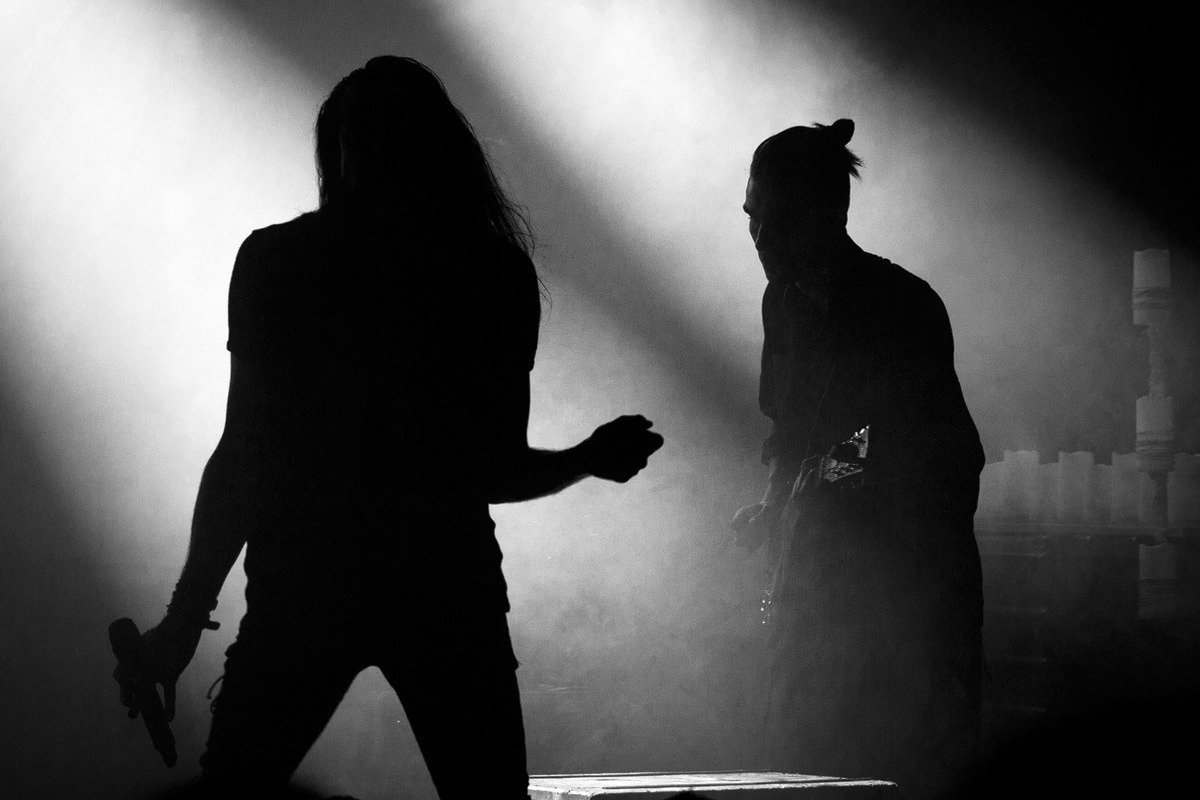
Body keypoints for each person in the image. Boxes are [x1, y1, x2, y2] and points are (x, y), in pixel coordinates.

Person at [114, 56, 663, 799]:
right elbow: (493, 469)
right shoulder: (490, 273)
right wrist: (585, 458)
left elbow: (245, 453)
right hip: (438, 583)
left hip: (307, 582)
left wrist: (185, 621)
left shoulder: (280, 262)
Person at [731, 119, 984, 799]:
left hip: (909, 596)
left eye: (775, 218)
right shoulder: (782, 302)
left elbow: (902, 442)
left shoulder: (901, 306)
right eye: (751, 216)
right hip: (822, 586)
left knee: (897, 768)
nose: (758, 236)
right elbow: (790, 432)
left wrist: (816, 484)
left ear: (825, 213)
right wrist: (777, 505)